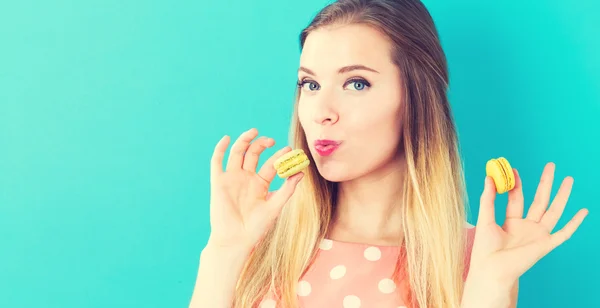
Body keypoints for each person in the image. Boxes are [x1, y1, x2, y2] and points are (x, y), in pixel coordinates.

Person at [189, 0, 589, 307]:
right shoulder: (258, 240)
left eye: (356, 83)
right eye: (309, 85)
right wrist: (224, 252)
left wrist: (491, 287)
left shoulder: (479, 256)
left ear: (415, 98)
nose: (321, 112)